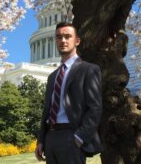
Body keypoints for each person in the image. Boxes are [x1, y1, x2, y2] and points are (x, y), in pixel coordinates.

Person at [35, 22, 103, 164]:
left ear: (77, 41)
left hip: (71, 137)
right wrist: (41, 140)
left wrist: (80, 137)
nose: (63, 41)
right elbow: (46, 111)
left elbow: (95, 108)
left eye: (67, 36)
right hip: (50, 137)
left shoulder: (89, 70)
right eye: (59, 37)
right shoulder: (52, 77)